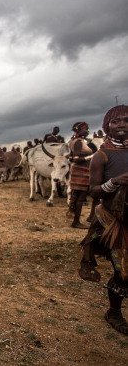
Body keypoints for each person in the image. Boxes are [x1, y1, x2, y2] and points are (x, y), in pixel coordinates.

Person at [79, 105, 128, 335]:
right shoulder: (101, 155)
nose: (122, 125)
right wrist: (115, 182)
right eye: (116, 121)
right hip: (115, 220)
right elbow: (95, 191)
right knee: (123, 270)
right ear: (107, 125)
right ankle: (114, 312)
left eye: (126, 121)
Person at [68, 122, 95, 228]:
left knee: (76, 196)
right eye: (86, 129)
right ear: (79, 130)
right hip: (82, 172)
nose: (87, 131)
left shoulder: (72, 141)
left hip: (78, 171)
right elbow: (76, 159)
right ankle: (76, 222)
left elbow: (70, 158)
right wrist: (92, 156)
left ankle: (75, 220)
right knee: (81, 197)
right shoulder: (79, 142)